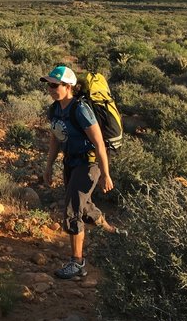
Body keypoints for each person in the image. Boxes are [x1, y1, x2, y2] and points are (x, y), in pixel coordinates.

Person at [41, 65, 126, 280]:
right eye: (48, 85)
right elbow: (55, 138)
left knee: (72, 210)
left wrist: (105, 174)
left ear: (68, 86)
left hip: (89, 165)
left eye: (54, 85)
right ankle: (114, 234)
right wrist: (49, 165)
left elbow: (98, 142)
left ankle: (77, 263)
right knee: (84, 206)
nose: (50, 88)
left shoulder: (81, 109)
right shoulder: (55, 109)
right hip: (71, 162)